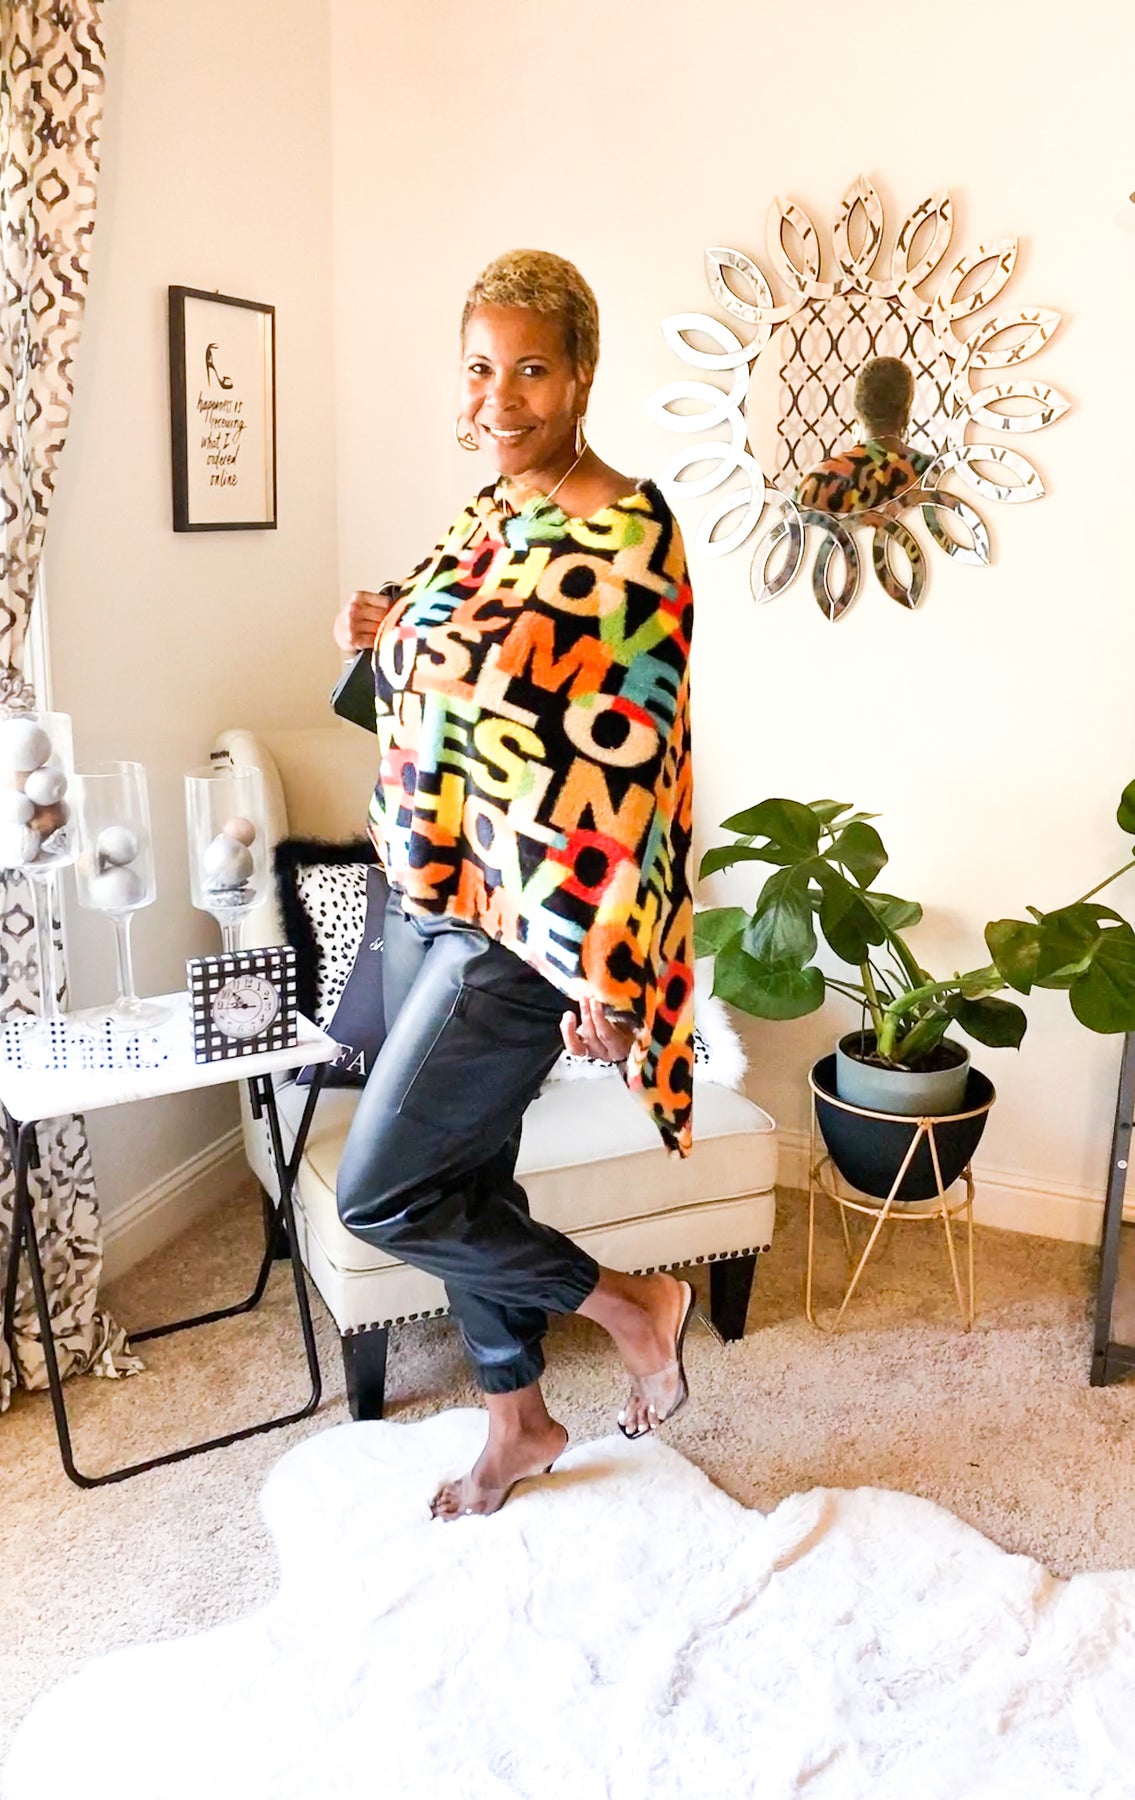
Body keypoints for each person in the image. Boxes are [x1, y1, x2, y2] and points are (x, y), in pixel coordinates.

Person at [331, 248, 697, 1521]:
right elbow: (460, 676)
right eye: (480, 369)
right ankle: (518, 1422)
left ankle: (633, 1307)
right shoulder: (486, 515)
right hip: (424, 884)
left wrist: (611, 976)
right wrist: (379, 628)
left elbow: (632, 770)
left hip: (527, 931)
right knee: (464, 1178)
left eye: (530, 369)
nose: (500, 397)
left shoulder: (629, 532)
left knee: (383, 1192)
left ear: (582, 374)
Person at [794, 355, 934, 515]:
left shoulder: (820, 479)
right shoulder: (932, 475)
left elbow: (792, 529)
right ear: (905, 412)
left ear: (858, 409)